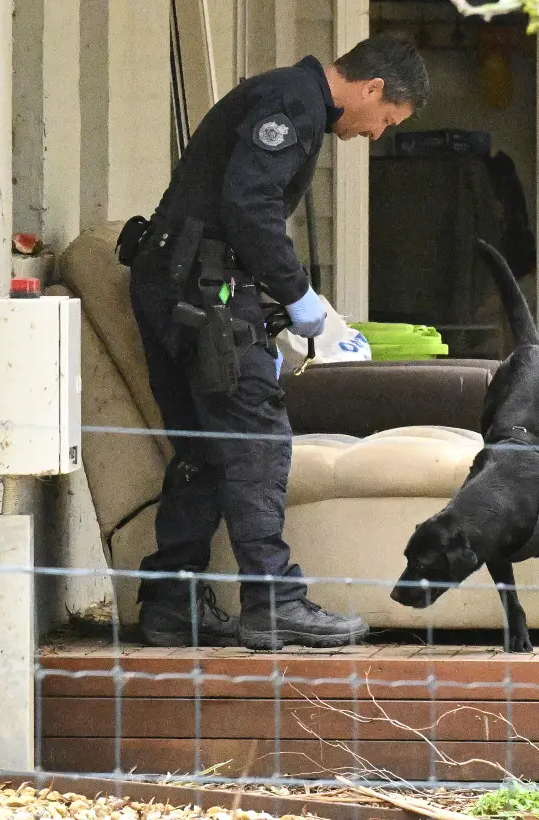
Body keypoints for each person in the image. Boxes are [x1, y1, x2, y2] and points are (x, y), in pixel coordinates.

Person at [116, 36, 429, 651]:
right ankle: (275, 602)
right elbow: (250, 205)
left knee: (204, 447)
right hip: (203, 291)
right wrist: (298, 295)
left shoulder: (289, 97)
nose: (377, 135)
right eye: (386, 120)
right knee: (257, 437)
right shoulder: (292, 102)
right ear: (371, 90)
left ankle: (173, 604)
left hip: (174, 282)